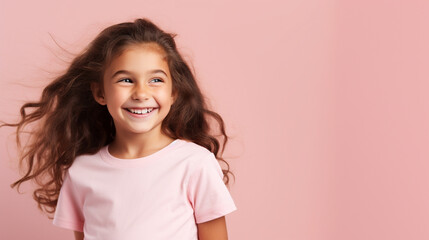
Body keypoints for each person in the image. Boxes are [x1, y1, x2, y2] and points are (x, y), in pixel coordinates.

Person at [3, 18, 237, 240]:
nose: (141, 94)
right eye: (126, 80)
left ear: (174, 92)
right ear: (100, 93)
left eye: (156, 80)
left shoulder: (195, 164)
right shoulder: (82, 171)